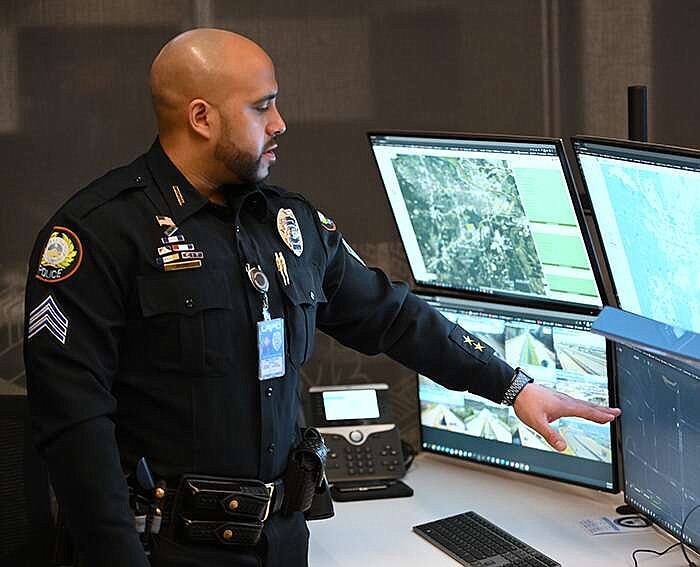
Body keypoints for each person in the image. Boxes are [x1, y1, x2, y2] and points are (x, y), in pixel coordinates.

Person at [24, 28, 620, 567]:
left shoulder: (288, 222)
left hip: (283, 540)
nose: (281, 122)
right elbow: (75, 429)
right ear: (201, 117)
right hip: (169, 548)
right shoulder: (99, 233)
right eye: (263, 107)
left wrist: (514, 387)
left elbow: (393, 318)